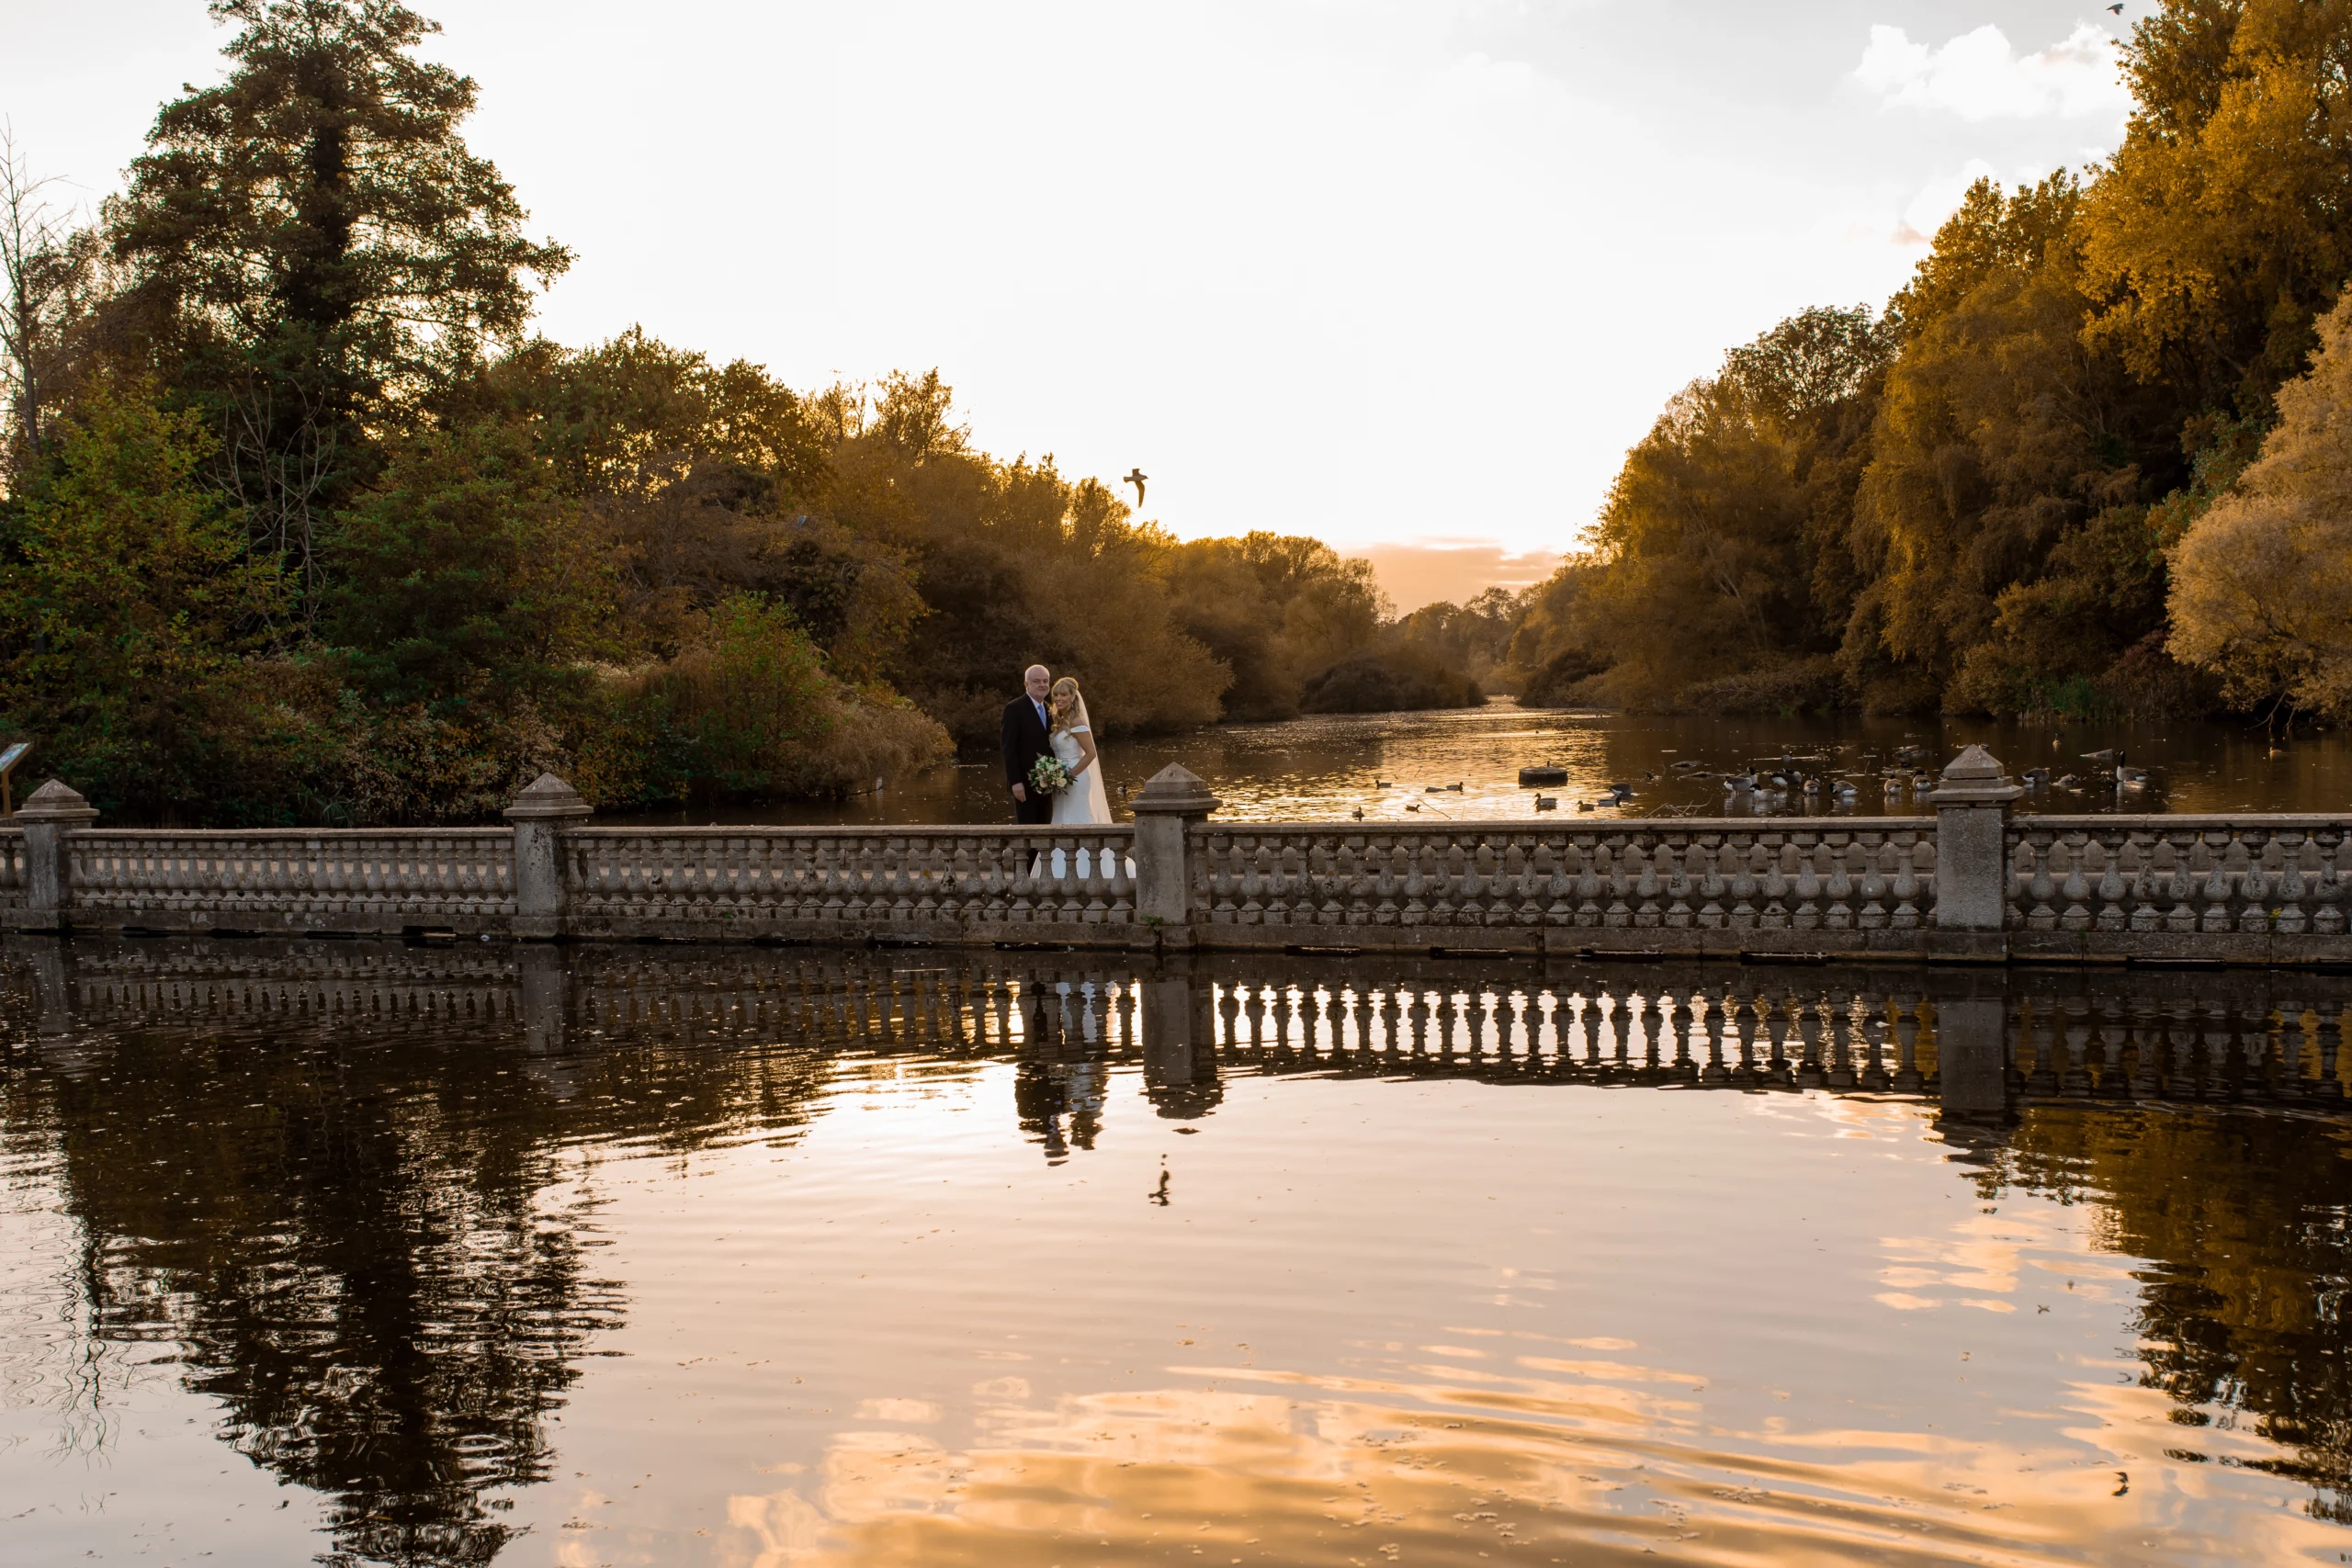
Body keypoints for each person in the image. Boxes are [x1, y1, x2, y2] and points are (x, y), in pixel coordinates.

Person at [1047, 676, 1112, 826]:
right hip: (1059, 777)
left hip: (1075, 776)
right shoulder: (1059, 721)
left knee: (1077, 815)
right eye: (1056, 695)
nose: (1058, 698)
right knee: (1062, 815)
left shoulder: (1077, 721)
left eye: (1063, 695)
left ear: (1072, 697)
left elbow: (1091, 753)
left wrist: (1070, 775)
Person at [1001, 664, 1057, 824]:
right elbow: (1008, 748)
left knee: (1045, 831)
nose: (1042, 684)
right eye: (1037, 681)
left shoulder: (1049, 709)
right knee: (1028, 833)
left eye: (1046, 681)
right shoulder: (1014, 709)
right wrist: (1015, 782)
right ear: (1026, 684)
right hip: (1024, 785)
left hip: (1048, 783)